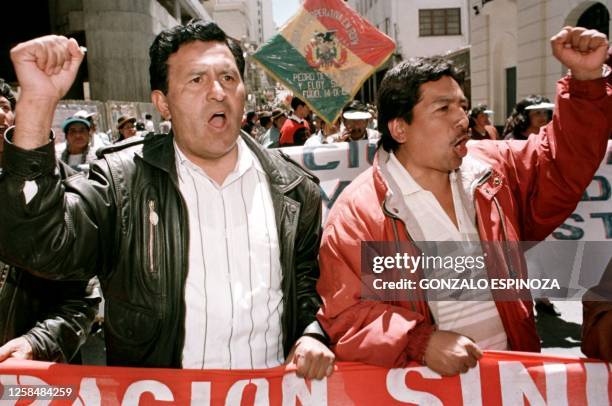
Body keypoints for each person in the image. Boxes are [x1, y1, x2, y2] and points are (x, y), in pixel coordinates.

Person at [0, 20, 333, 378]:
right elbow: (38, 243)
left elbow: (308, 286)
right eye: (196, 80)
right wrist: (37, 102)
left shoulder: (295, 190)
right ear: (163, 103)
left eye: (229, 78)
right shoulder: (121, 183)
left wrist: (313, 333)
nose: (217, 92)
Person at [316, 26, 610, 376]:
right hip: (424, 394)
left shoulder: (494, 170)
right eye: (443, 108)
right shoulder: (357, 214)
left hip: (512, 382)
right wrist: (420, 342)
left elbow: (563, 161)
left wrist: (586, 79)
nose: (462, 119)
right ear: (399, 128)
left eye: (463, 106)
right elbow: (346, 316)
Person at [0, 78, 99, 364]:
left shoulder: (65, 183)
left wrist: (38, 343)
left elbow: (83, 295)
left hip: (35, 374)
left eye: (4, 106)